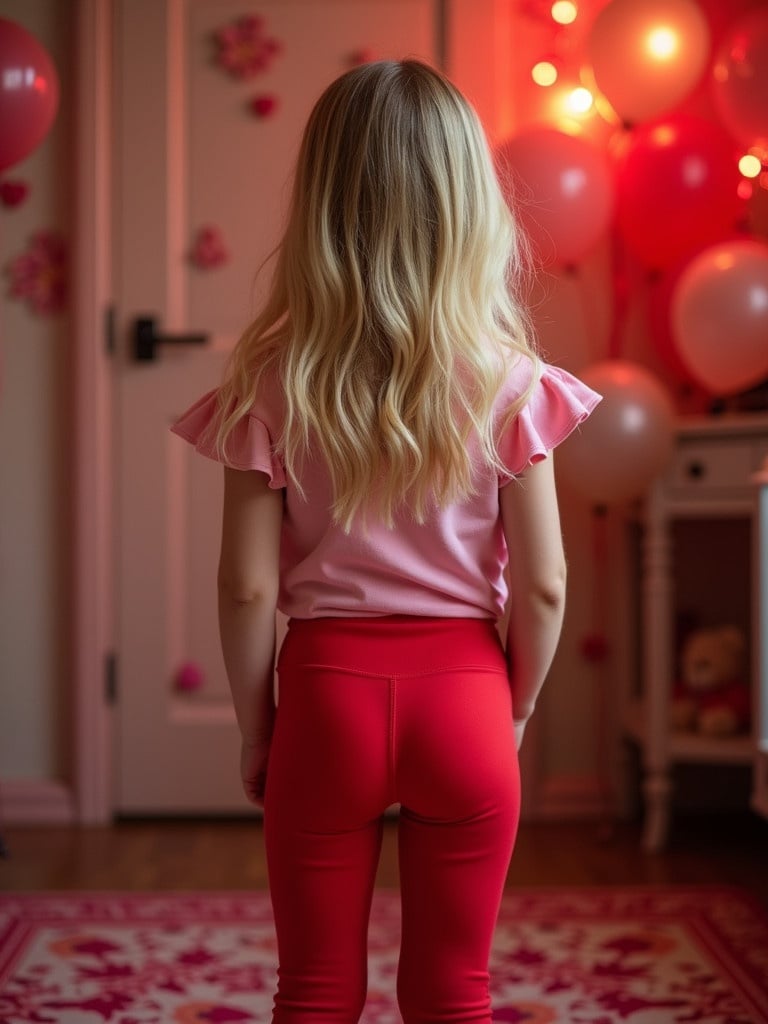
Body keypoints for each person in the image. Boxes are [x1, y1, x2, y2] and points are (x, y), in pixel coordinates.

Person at [172, 59, 601, 1024]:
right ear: (469, 206)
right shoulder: (510, 381)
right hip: (466, 702)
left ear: (323, 202)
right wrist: (516, 710)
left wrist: (258, 729)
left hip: (326, 702)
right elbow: (543, 586)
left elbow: (244, 588)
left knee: (315, 989)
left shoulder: (272, 379)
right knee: (456, 990)